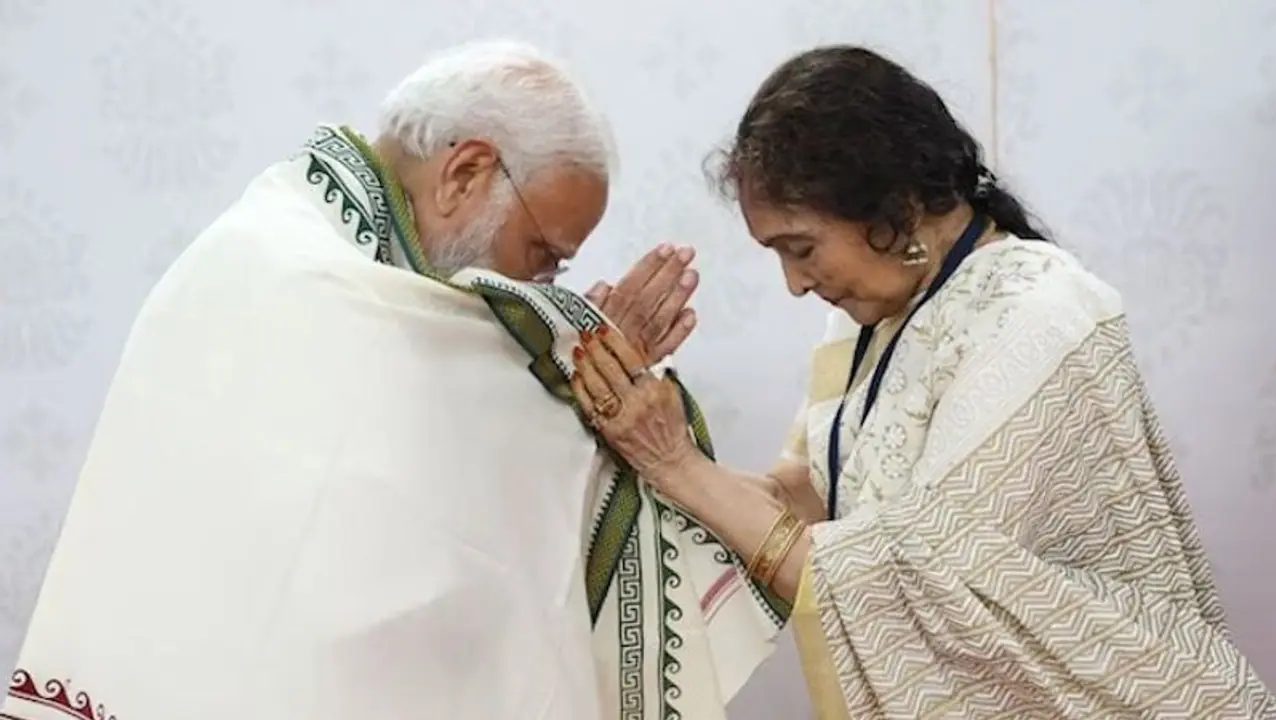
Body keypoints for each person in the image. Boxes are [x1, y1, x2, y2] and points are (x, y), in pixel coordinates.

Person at [2, 41, 783, 720]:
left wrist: (581, 364)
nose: (545, 282)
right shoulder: (296, 272)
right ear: (466, 172)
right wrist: (575, 364)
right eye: (544, 252)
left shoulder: (309, 261)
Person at [569, 45, 1276, 718]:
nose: (793, 283)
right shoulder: (867, 323)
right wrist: (637, 424)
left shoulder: (1041, 317)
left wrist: (672, 459)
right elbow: (803, 497)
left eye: (802, 248)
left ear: (895, 209)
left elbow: (911, 586)